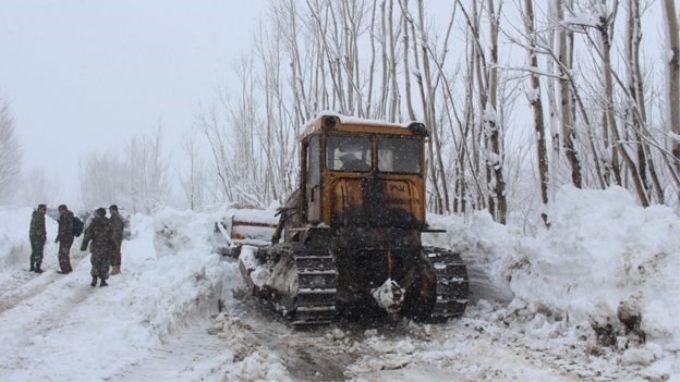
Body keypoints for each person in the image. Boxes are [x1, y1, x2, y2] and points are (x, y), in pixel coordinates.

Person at [81, 207, 114, 287]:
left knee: (95, 263)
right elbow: (112, 235)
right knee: (104, 263)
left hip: (96, 247)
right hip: (105, 247)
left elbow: (88, 235)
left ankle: (94, 279)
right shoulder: (108, 223)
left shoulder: (94, 223)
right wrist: (114, 245)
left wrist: (84, 245)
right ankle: (103, 280)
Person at [55, 204, 75, 274]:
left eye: (59, 210)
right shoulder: (70, 215)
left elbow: (64, 228)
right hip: (69, 238)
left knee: (62, 255)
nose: (59, 212)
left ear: (63, 210)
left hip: (65, 238)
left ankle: (65, 269)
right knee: (65, 254)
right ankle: (68, 268)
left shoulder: (65, 216)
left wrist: (59, 237)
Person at [29, 204, 47, 273]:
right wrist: (41, 235)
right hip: (37, 237)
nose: (45, 211)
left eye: (45, 209)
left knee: (35, 252)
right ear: (40, 209)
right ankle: (37, 267)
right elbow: (36, 228)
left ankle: (33, 266)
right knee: (38, 252)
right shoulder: (38, 216)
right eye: (44, 209)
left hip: (35, 236)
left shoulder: (39, 216)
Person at [108, 204, 124, 275]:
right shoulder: (119, 217)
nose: (110, 212)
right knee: (117, 253)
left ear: (114, 210)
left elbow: (115, 229)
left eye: (111, 210)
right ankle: (117, 268)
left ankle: (115, 269)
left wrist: (112, 237)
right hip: (117, 238)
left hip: (115, 238)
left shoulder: (115, 218)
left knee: (114, 253)